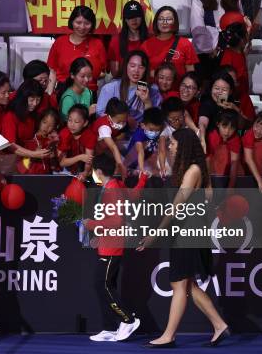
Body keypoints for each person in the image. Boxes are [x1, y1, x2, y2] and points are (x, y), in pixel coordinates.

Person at [138, 128, 229, 349]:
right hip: (185, 231)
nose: (170, 146)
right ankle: (219, 325)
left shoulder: (193, 171)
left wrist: (155, 234)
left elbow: (177, 207)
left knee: (179, 284)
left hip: (189, 233)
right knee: (187, 284)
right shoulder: (191, 169)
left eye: (173, 142)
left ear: (185, 145)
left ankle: (168, 336)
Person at [82, 153, 140, 342]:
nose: (92, 175)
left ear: (99, 172)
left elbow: (116, 220)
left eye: (93, 172)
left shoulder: (112, 190)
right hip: (106, 244)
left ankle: (128, 319)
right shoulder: (109, 187)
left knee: (102, 284)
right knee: (105, 286)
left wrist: (91, 224)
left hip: (112, 247)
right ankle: (109, 327)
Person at [191, 0, 241, 79]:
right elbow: (197, 25)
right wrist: (208, 49)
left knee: (229, 82)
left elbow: (240, 19)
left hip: (230, 46)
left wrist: (238, 44)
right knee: (208, 83)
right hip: (209, 49)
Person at [47, 5, 107, 93]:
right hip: (64, 91)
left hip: (89, 92)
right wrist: (49, 95)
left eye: (87, 23)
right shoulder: (60, 42)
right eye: (78, 22)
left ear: (92, 25)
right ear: (71, 22)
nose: (82, 27)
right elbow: (52, 72)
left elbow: (103, 73)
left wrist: (88, 75)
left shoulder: (98, 44)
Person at [96, 50, 162, 125]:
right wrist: (123, 121)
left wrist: (147, 102)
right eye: (132, 66)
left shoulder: (153, 90)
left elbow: (155, 123)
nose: (136, 71)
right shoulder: (110, 88)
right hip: (115, 131)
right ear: (126, 66)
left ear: (146, 70)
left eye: (141, 67)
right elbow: (100, 115)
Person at [141, 6, 198, 85]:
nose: (164, 22)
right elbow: (142, 71)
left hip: (178, 93)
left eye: (169, 19)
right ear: (156, 22)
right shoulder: (146, 45)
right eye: (161, 19)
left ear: (175, 22)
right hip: (154, 92)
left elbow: (191, 73)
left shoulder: (185, 43)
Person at [1, 79, 51, 162]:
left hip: (26, 160)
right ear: (23, 98)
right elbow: (10, 145)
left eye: (38, 100)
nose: (35, 103)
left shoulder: (32, 114)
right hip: (11, 161)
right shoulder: (11, 116)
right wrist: (33, 154)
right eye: (31, 100)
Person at [108, 0, 149, 78]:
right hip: (122, 81)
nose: (134, 20)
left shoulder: (149, 40)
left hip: (144, 81)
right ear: (125, 20)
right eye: (130, 17)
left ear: (142, 18)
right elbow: (115, 72)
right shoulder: (116, 40)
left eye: (137, 16)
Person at [91, 97, 129, 179]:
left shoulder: (116, 118)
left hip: (108, 146)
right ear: (109, 117)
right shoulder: (104, 127)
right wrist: (121, 165)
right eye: (119, 122)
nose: (122, 124)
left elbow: (122, 135)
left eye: (124, 121)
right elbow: (113, 148)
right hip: (96, 151)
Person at [57, 104, 96, 180]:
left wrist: (85, 172)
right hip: (64, 170)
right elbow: (62, 162)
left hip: (81, 169)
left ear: (85, 123)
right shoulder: (64, 134)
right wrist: (80, 157)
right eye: (70, 120)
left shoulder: (90, 135)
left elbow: (89, 159)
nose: (72, 124)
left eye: (76, 122)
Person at [16, 108, 60, 174]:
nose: (46, 127)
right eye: (44, 122)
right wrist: (34, 155)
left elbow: (56, 169)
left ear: (54, 127)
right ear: (39, 121)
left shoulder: (52, 142)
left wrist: (53, 157)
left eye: (51, 125)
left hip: (47, 179)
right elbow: (21, 169)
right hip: (31, 179)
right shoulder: (29, 141)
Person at [206, 109, 241, 187]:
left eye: (232, 128)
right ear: (218, 124)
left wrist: (231, 186)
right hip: (211, 172)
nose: (227, 131)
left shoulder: (235, 138)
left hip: (228, 173)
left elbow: (234, 163)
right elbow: (207, 160)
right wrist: (208, 184)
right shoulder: (212, 136)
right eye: (224, 126)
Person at [126, 107, 165, 175]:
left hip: (148, 160)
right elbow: (140, 152)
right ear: (143, 125)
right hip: (133, 162)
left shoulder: (161, 132)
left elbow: (162, 150)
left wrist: (162, 168)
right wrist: (141, 169)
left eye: (157, 130)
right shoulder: (139, 134)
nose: (155, 133)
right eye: (151, 130)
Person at [59, 57, 95, 121]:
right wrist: (88, 113)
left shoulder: (89, 92)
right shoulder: (68, 98)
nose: (86, 80)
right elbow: (70, 126)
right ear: (72, 75)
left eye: (89, 76)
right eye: (82, 76)